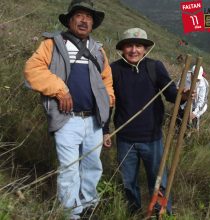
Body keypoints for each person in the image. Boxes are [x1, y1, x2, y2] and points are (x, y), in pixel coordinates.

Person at [23, 0, 114, 219]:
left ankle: (88, 204)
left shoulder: (98, 50)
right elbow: (32, 70)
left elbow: (106, 82)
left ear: (93, 23)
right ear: (70, 19)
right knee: (70, 168)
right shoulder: (52, 44)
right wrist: (60, 90)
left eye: (89, 17)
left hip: (94, 120)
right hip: (66, 119)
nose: (84, 20)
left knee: (93, 166)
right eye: (79, 15)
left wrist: (106, 109)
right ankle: (70, 213)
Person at [103, 28, 189, 215]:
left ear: (145, 48)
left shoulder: (154, 66)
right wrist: (105, 129)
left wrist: (184, 96)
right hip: (125, 139)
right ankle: (133, 213)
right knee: (128, 183)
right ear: (122, 48)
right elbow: (109, 103)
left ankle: (161, 214)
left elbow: (171, 94)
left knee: (159, 182)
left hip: (152, 138)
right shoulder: (114, 70)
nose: (134, 50)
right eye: (129, 45)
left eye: (138, 45)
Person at [177, 65, 209, 130]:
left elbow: (202, 101)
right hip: (184, 103)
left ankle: (193, 132)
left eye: (198, 79)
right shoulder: (185, 77)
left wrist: (194, 113)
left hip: (197, 107)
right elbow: (177, 87)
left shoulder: (204, 84)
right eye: (194, 77)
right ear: (191, 74)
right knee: (179, 121)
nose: (196, 80)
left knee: (193, 126)